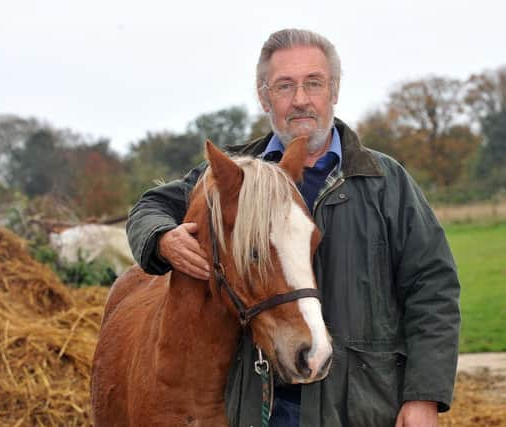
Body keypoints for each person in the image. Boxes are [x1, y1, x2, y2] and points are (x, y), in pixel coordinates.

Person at [126, 28, 461, 427]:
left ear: (333, 91)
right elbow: (151, 206)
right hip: (252, 406)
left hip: (358, 408)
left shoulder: (383, 182)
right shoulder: (234, 176)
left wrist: (424, 396)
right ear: (264, 96)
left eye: (313, 83)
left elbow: (432, 288)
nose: (300, 99)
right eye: (285, 86)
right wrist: (161, 239)